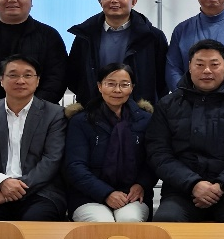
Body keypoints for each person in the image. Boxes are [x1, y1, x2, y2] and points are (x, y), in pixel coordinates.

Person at [147, 39, 224, 223]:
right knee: (166, 224)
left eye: (214, 64)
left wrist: (221, 185)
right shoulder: (167, 105)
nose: (207, 71)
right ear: (190, 66)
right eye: (200, 64)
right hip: (182, 191)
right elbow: (158, 154)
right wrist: (193, 183)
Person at [0, 55, 66, 221]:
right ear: (1, 80)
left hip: (40, 192)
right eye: (13, 75)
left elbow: (51, 161)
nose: (21, 81)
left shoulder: (54, 114)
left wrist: (10, 193)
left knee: (36, 223)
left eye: (28, 75)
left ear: (37, 81)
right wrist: (2, 182)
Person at [64, 63, 157, 222]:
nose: (117, 90)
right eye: (111, 84)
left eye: (124, 85)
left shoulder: (146, 120)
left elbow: (154, 160)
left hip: (131, 195)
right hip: (88, 196)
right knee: (101, 223)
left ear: (132, 88)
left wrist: (142, 184)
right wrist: (106, 193)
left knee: (129, 220)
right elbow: (75, 166)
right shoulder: (81, 121)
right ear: (100, 86)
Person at [66, 0, 169, 106]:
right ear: (100, 2)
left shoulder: (152, 36)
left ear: (134, 1)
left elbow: (163, 79)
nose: (114, 0)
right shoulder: (85, 36)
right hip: (94, 108)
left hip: (139, 110)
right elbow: (74, 74)